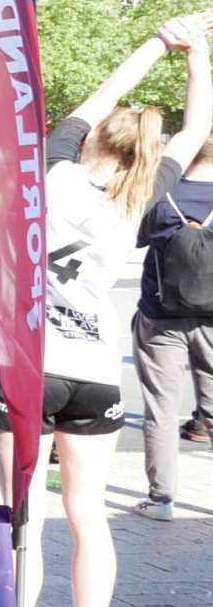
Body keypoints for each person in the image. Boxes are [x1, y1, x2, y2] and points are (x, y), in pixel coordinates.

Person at [0, 12, 212, 607]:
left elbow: (100, 96)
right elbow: (198, 129)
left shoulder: (52, 172)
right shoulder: (140, 196)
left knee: (23, 516)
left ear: (91, 140)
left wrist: (156, 43)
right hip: (94, 371)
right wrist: (198, 54)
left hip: (26, 366)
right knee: (88, 517)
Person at [131, 133, 213, 520]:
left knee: (161, 408)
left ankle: (161, 499)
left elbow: (137, 236)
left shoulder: (161, 194)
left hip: (160, 314)